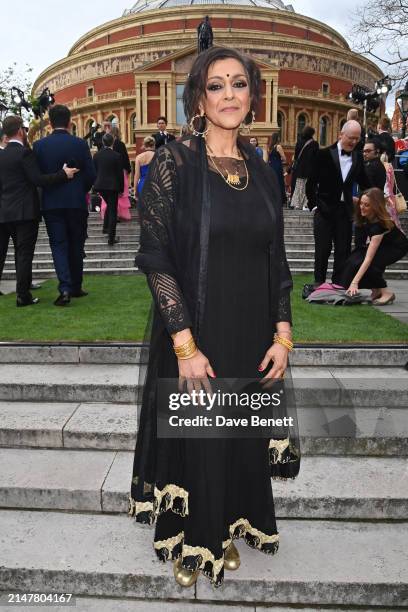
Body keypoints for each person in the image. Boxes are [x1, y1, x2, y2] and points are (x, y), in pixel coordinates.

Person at [129, 46, 299, 590]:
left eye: (239, 84)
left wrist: (283, 332)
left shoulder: (263, 169)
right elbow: (155, 256)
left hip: (251, 329)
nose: (230, 95)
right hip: (196, 328)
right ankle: (193, 536)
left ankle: (230, 524)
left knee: (240, 434)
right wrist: (184, 342)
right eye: (217, 86)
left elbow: (277, 255)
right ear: (198, 100)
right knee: (200, 435)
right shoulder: (173, 164)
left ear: (253, 95)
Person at [0, 115, 77, 306]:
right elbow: (38, 180)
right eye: (25, 130)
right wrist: (63, 174)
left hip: (3, 212)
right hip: (25, 212)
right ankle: (23, 295)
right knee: (23, 254)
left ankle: (21, 293)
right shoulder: (25, 153)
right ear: (20, 131)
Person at [33, 104, 96, 306]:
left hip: (51, 204)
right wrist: (80, 190)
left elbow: (39, 177)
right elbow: (91, 175)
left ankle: (65, 288)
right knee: (77, 244)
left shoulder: (40, 146)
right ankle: (76, 286)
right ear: (70, 122)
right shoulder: (80, 144)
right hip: (76, 202)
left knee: (58, 245)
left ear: (50, 123)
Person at [306, 120, 370, 287]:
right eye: (351, 138)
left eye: (357, 138)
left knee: (343, 251)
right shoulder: (323, 154)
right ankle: (318, 284)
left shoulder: (357, 158)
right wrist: (314, 205)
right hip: (324, 211)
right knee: (322, 250)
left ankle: (339, 285)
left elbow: (365, 183)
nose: (354, 142)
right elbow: (311, 183)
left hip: (345, 212)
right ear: (341, 135)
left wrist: (374, 197)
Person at [341, 188, 408, 304]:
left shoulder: (378, 225)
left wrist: (354, 282)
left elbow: (368, 259)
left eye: (366, 205)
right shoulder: (364, 213)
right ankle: (376, 291)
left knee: (370, 264)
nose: (362, 207)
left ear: (375, 207)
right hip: (385, 244)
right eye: (361, 203)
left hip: (397, 247)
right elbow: (355, 200)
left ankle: (387, 293)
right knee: (354, 259)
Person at [93, 133, 124, 246]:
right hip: (113, 186)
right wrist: (121, 189)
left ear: (103, 142)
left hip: (100, 186)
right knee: (112, 210)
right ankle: (111, 238)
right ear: (113, 142)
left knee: (110, 207)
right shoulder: (117, 156)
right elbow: (120, 174)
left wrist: (94, 185)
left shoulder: (96, 155)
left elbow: (94, 172)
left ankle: (106, 228)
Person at [290, 126, 319, 210]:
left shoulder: (299, 142)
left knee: (299, 186)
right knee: (309, 186)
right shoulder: (314, 143)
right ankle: (306, 204)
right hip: (310, 169)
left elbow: (295, 156)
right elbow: (316, 158)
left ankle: (297, 204)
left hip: (300, 169)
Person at [381, 152, 402, 229]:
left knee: (384, 215)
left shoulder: (381, 167)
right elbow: (392, 182)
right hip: (390, 193)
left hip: (383, 193)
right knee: (393, 216)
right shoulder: (390, 166)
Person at [267, 132, 287, 205]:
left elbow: (268, 159)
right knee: (279, 182)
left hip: (271, 166)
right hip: (277, 166)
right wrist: (281, 160)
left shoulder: (270, 147)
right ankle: (280, 200)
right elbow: (284, 158)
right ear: (277, 138)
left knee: (272, 182)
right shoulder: (278, 146)